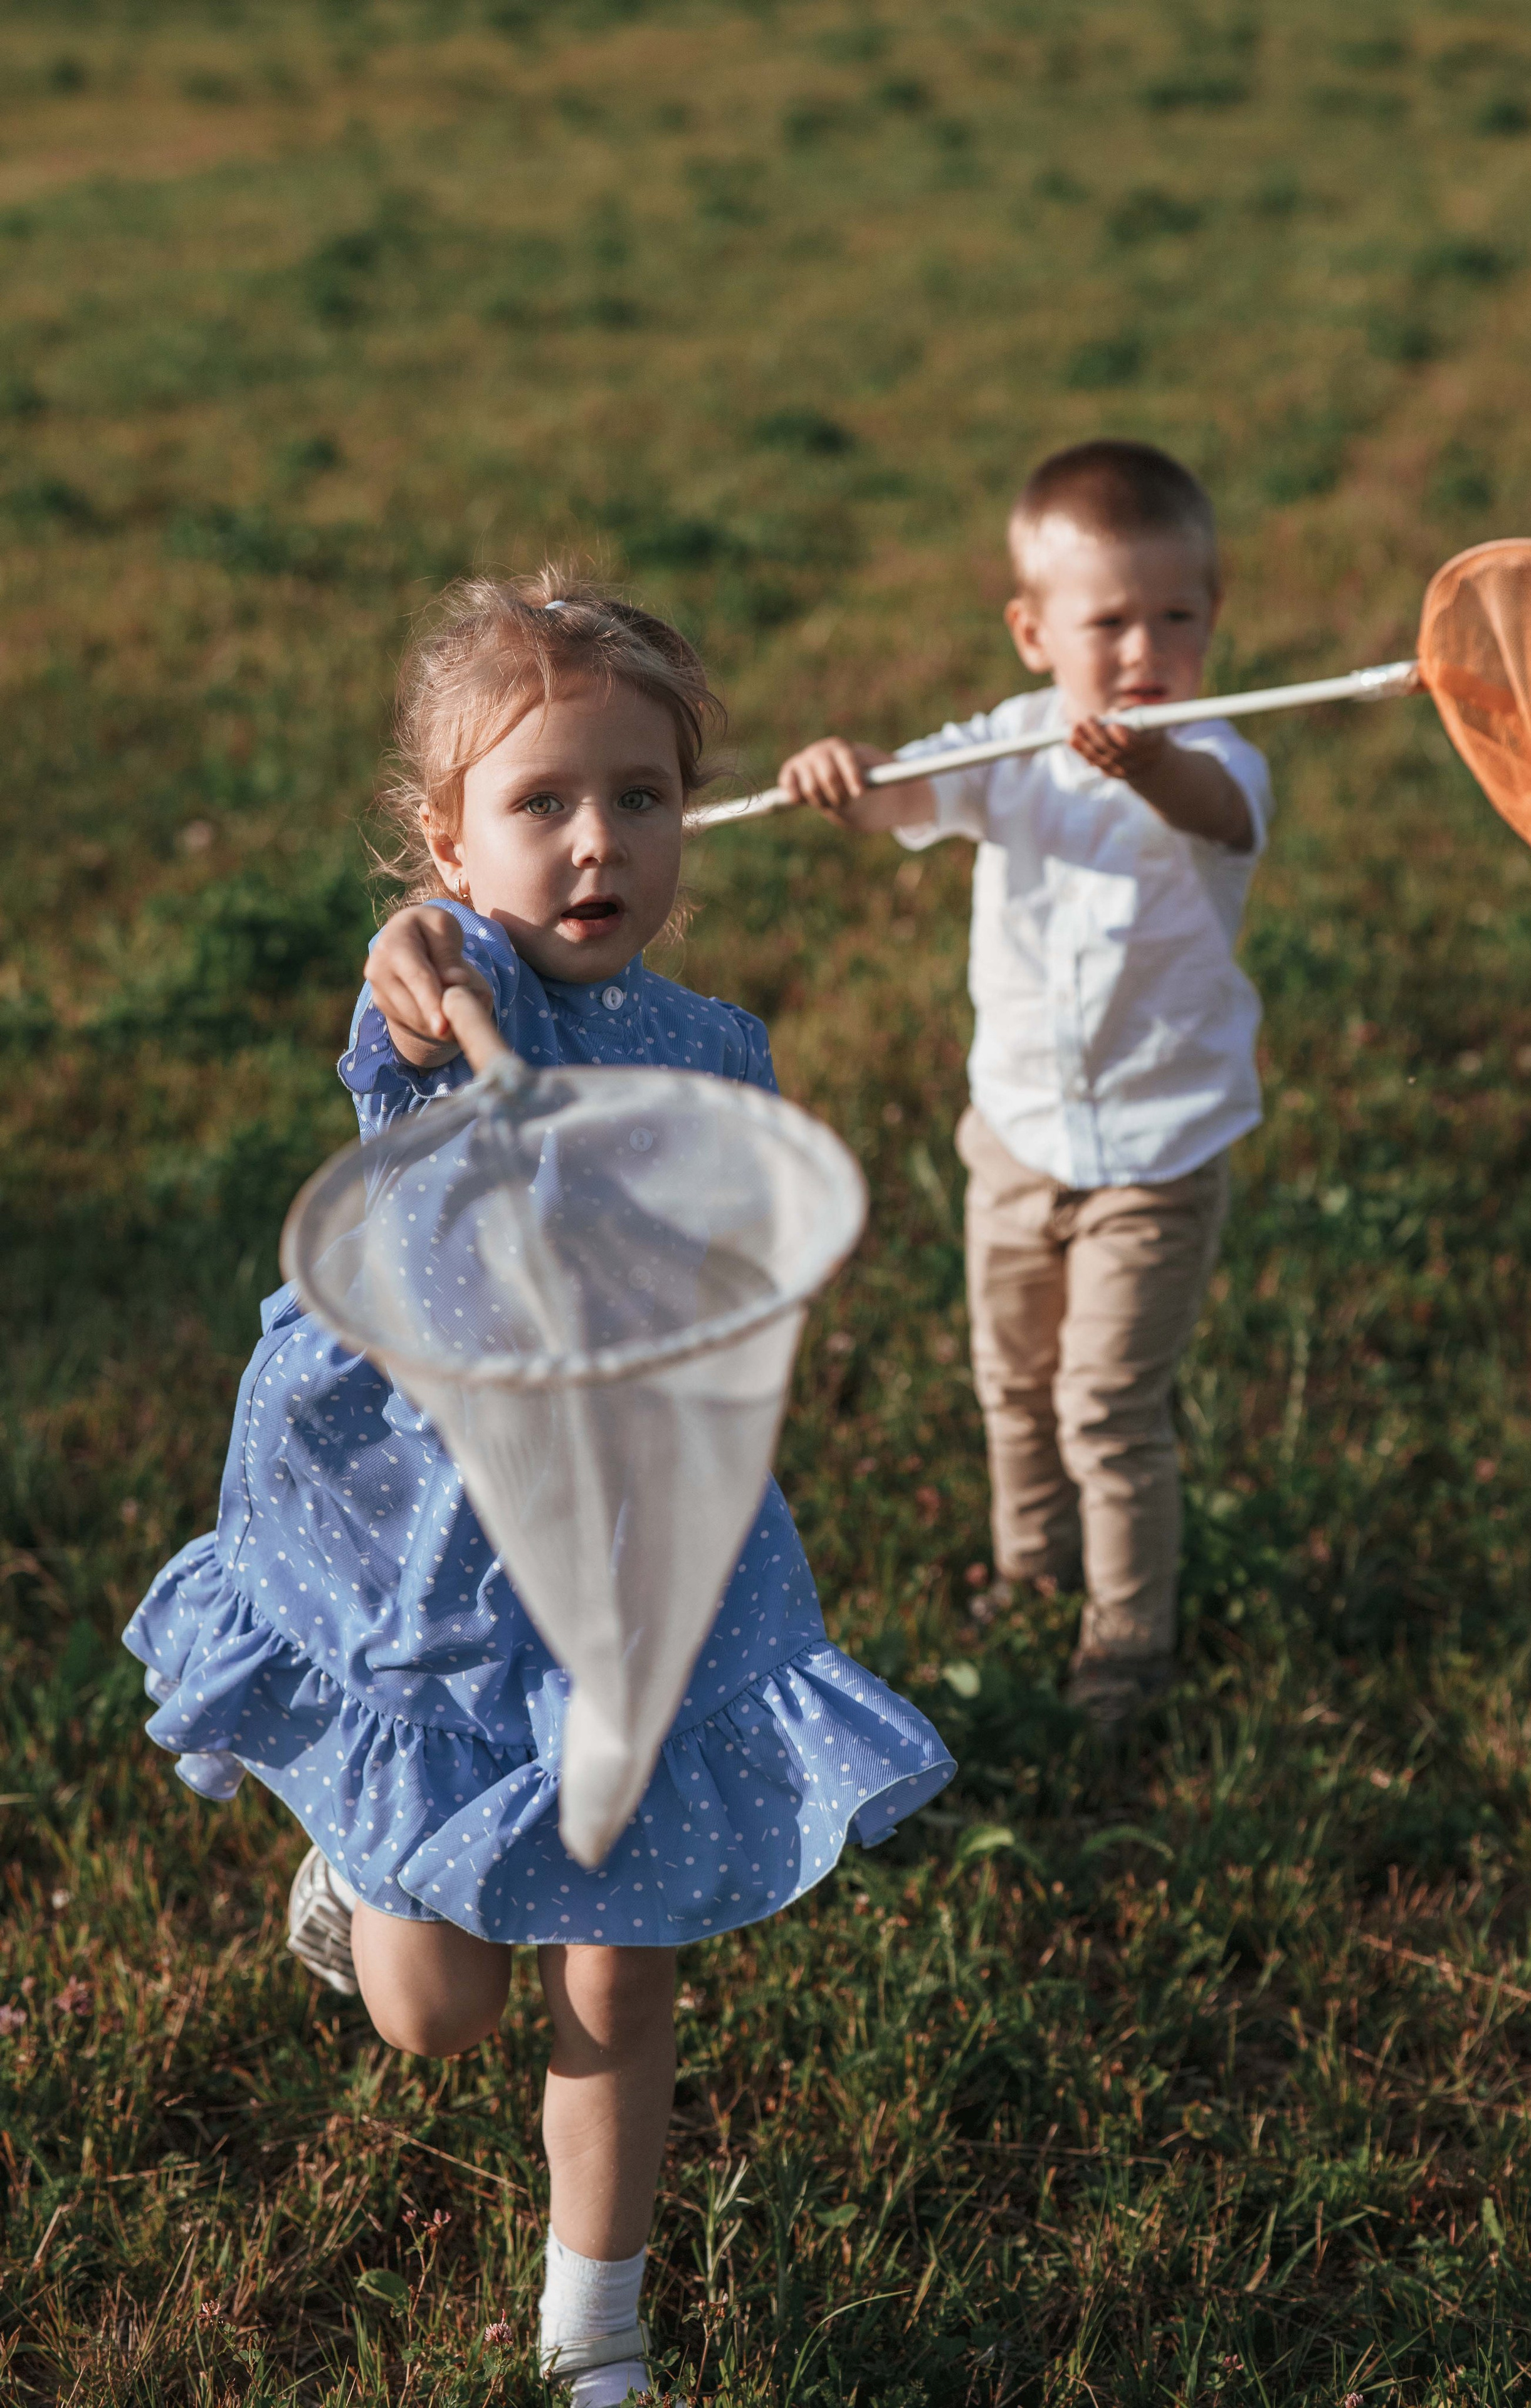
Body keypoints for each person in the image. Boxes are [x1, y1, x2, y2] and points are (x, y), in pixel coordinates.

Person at [124, 574, 954, 2405]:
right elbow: (412, 984)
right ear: (450, 840)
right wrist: (417, 958)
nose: (598, 843)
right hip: (417, 1557)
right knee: (437, 2016)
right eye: (543, 804)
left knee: (620, 1967)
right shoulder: (459, 986)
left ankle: (598, 2335)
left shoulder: (715, 1050)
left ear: (690, 819)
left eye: (641, 800)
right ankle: (355, 1858)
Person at [779, 440, 1273, 1730]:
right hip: (1012, 1138)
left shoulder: (1214, 755)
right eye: (1106, 621)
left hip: (1155, 1160)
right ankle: (1026, 1567)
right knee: (1011, 1384)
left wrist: (1142, 764)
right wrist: (851, 780)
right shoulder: (1006, 747)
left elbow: (1216, 813)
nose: (1141, 648)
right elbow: (903, 802)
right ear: (1030, 632)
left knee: (1106, 1403)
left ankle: (1124, 1641)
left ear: (1211, 623)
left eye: (1175, 617)